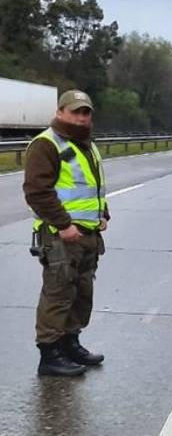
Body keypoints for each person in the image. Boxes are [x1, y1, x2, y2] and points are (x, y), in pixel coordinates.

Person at [23, 89, 109, 377]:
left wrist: (102, 214)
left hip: (87, 233)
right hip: (61, 234)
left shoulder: (87, 144)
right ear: (60, 112)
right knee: (58, 293)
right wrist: (63, 224)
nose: (82, 117)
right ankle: (50, 355)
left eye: (86, 112)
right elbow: (37, 192)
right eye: (75, 111)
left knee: (81, 292)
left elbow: (94, 186)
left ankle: (70, 344)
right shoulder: (46, 144)